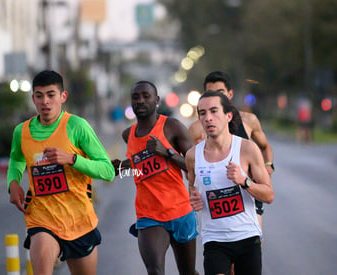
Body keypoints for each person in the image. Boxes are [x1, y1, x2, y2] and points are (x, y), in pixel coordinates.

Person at [7, 70, 115, 275]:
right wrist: (13, 182)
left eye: (51, 95)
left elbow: (108, 170)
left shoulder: (77, 126)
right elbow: (17, 158)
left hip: (79, 220)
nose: (45, 102)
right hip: (41, 218)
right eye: (39, 96)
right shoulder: (22, 131)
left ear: (62, 97)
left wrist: (72, 159)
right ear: (33, 99)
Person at [112, 81, 199, 275]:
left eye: (146, 96)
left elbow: (195, 166)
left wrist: (168, 152)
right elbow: (140, 170)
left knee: (188, 272)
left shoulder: (172, 127)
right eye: (136, 97)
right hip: (149, 215)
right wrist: (121, 168)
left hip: (181, 212)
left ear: (157, 100)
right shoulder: (129, 135)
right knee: (155, 271)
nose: (140, 101)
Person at [186, 90, 274, 275]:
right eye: (203, 113)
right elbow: (193, 187)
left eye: (214, 111)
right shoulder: (193, 155)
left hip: (247, 237)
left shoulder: (247, 148)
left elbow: (269, 195)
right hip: (214, 240)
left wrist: (244, 181)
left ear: (228, 115)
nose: (208, 118)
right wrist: (193, 198)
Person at [188, 71, 274, 228]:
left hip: (248, 193)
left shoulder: (248, 120)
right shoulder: (196, 129)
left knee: (253, 239)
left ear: (230, 94)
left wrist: (268, 165)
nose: (215, 96)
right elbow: (189, 166)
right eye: (210, 93)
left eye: (220, 92)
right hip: (217, 197)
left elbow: (265, 146)